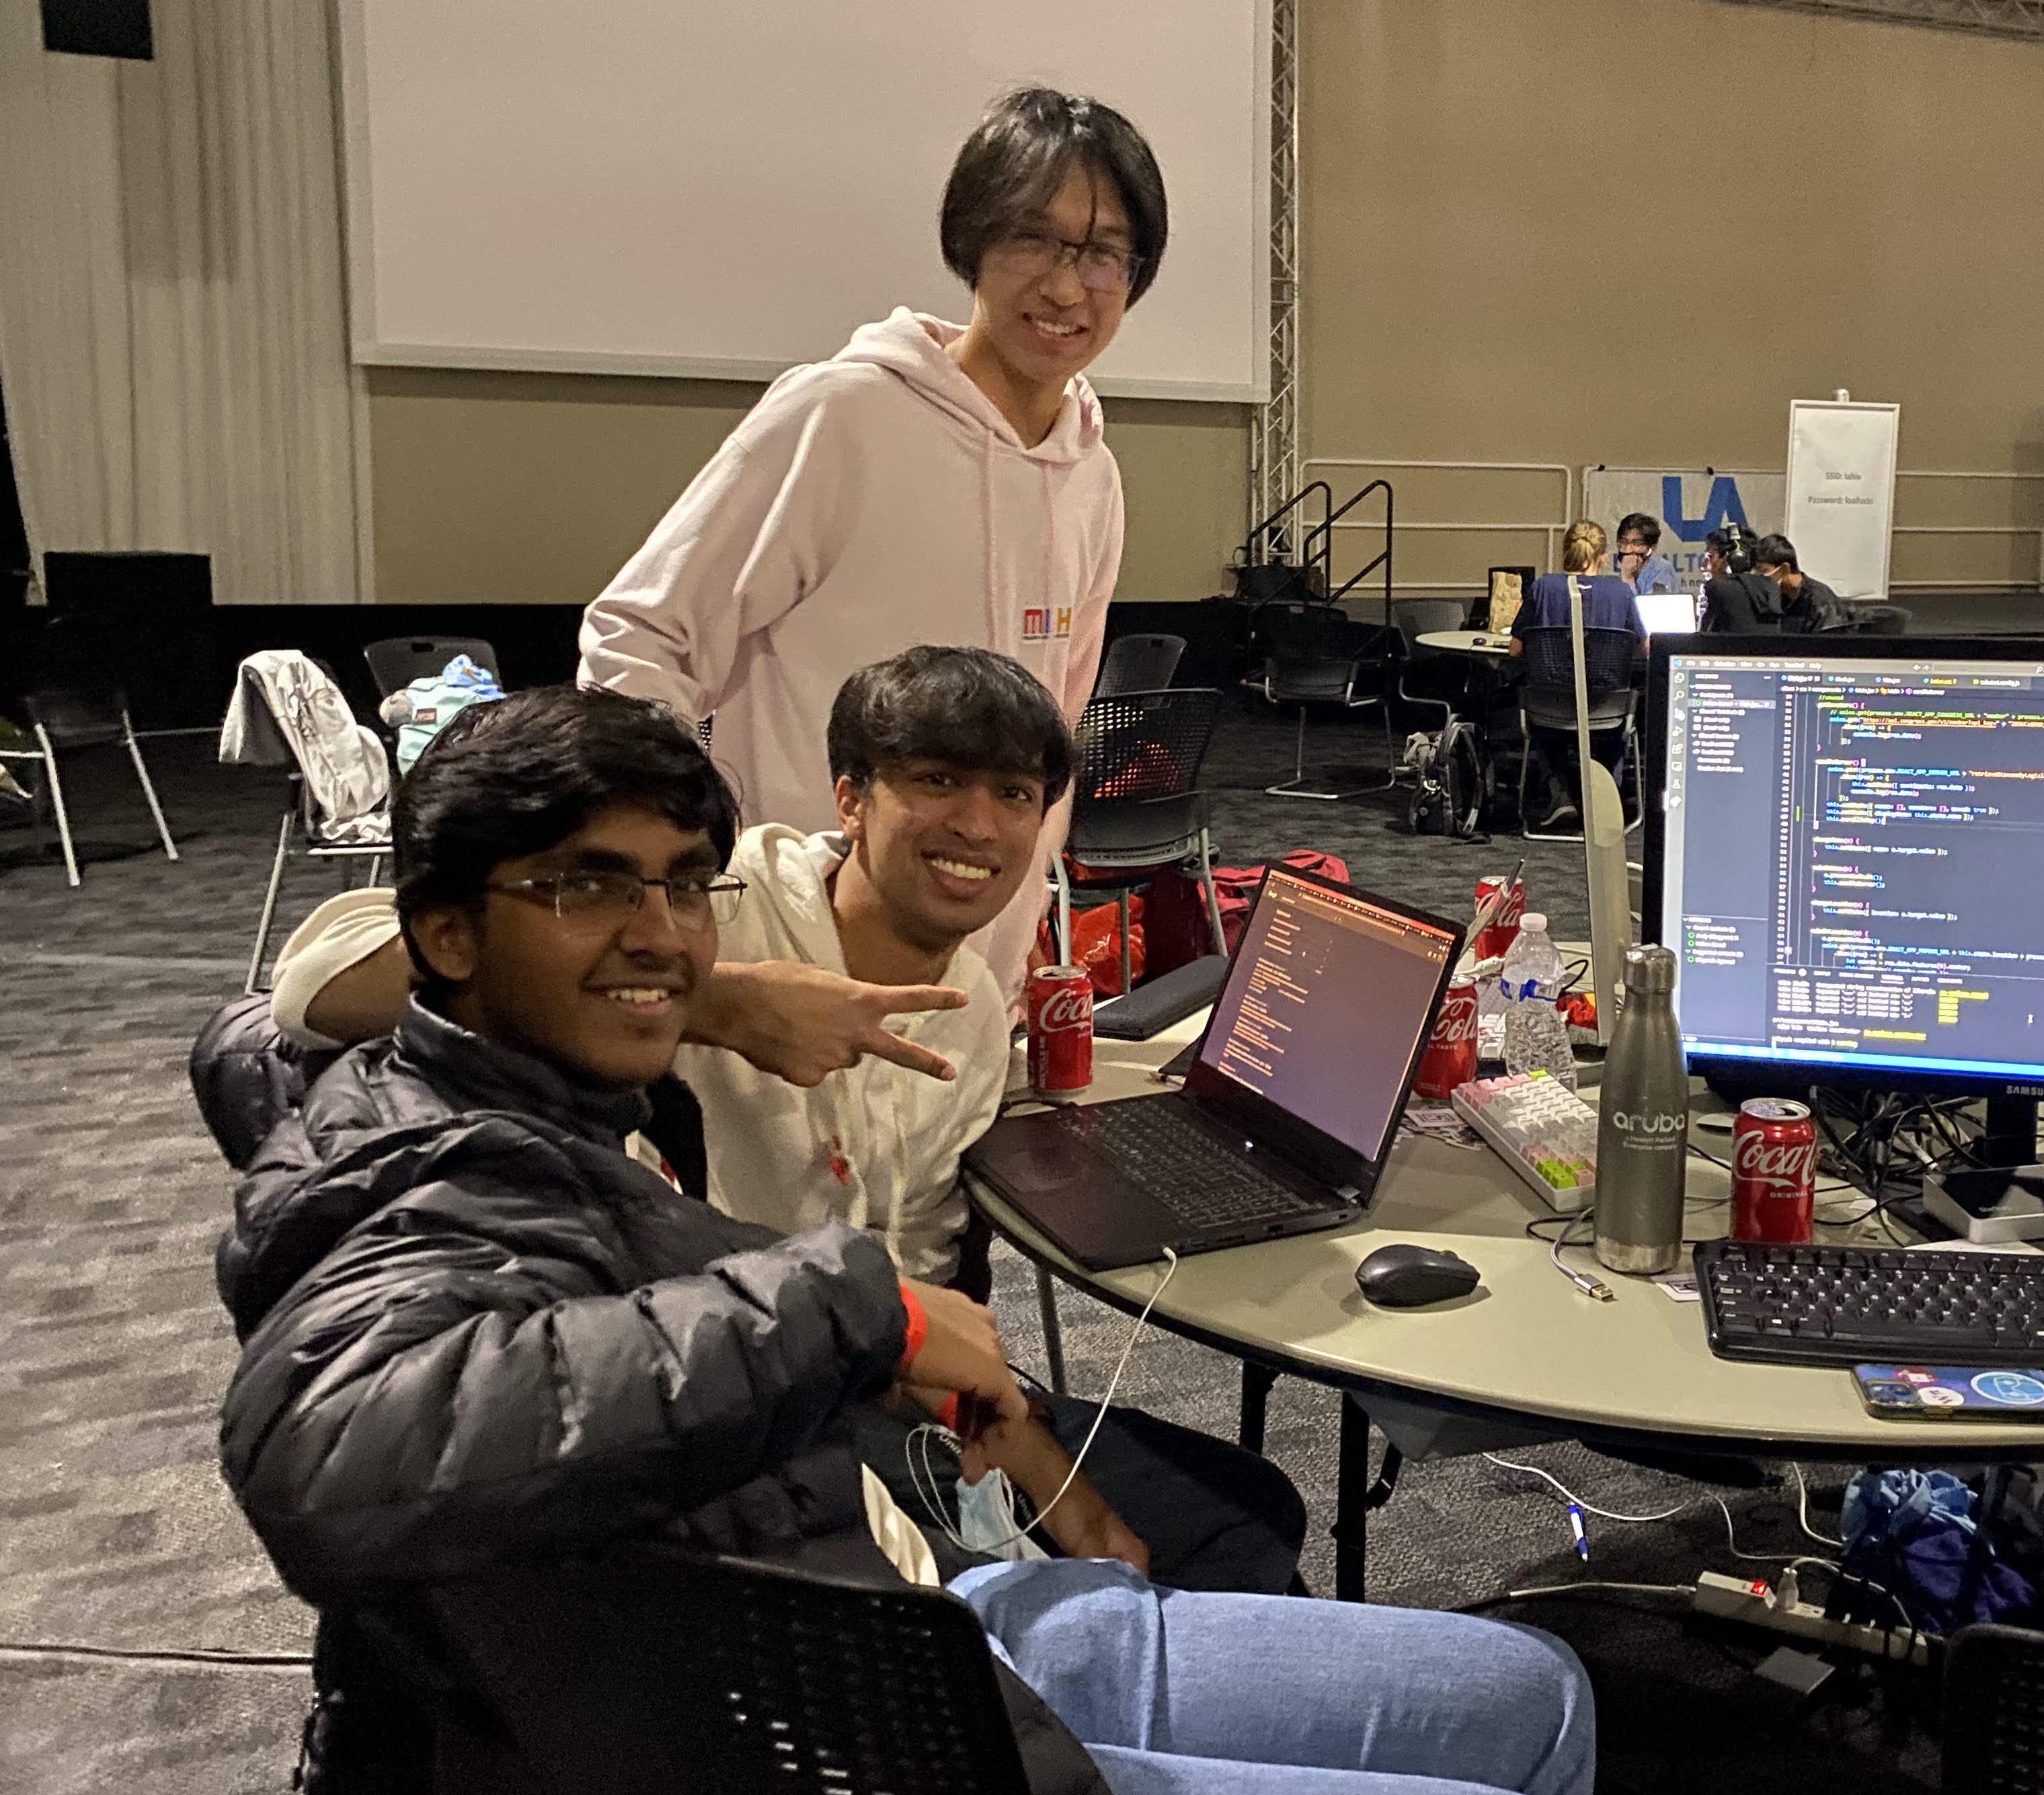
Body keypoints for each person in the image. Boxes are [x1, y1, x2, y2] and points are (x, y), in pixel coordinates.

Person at [217, 686, 1596, 1795]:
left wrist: (1010, 1445)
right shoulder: (431, 1161)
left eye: (677, 889)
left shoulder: (612, 1118)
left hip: (875, 1584)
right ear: (447, 932)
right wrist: (744, 1040)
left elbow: (926, 1307)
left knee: (1532, 1684)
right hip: (839, 1710)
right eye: (587, 890)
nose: (656, 931)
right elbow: (331, 1454)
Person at [265, 649, 1306, 1593]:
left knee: (1249, 1515)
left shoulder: (977, 1012)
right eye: (936, 782)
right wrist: (722, 1000)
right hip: (735, 1424)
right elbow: (307, 987)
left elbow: (923, 1271)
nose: (980, 826)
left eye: (1015, 794)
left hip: (892, 1389)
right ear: (849, 799)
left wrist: (1027, 1451)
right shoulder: (727, 907)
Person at [580, 88, 1165, 1006]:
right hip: (790, 963)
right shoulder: (843, 415)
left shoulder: (1095, 476)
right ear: (971, 243)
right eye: (1032, 240)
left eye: (1100, 254)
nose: (1063, 286)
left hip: (975, 984)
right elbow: (638, 639)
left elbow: (1056, 735)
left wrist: (1016, 951)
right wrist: (692, 870)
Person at [1507, 519, 1643, 830]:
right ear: (1604, 556)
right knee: (1612, 728)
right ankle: (1605, 800)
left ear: (1566, 551)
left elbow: (1515, 650)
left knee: (1548, 717)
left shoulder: (1542, 587)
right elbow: (1644, 647)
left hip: (1550, 706)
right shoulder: (1621, 592)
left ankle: (1561, 796)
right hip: (1606, 706)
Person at [1748, 532, 1850, 634]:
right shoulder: (1773, 598)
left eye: (1763, 571)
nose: (1758, 578)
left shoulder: (1821, 601)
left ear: (1785, 569)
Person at [1613, 510, 1677, 596]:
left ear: (1652, 548)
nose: (1628, 550)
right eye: (1624, 542)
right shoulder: (1622, 574)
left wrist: (1628, 578)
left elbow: (1650, 607)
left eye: (1636, 544)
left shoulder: (1661, 569)